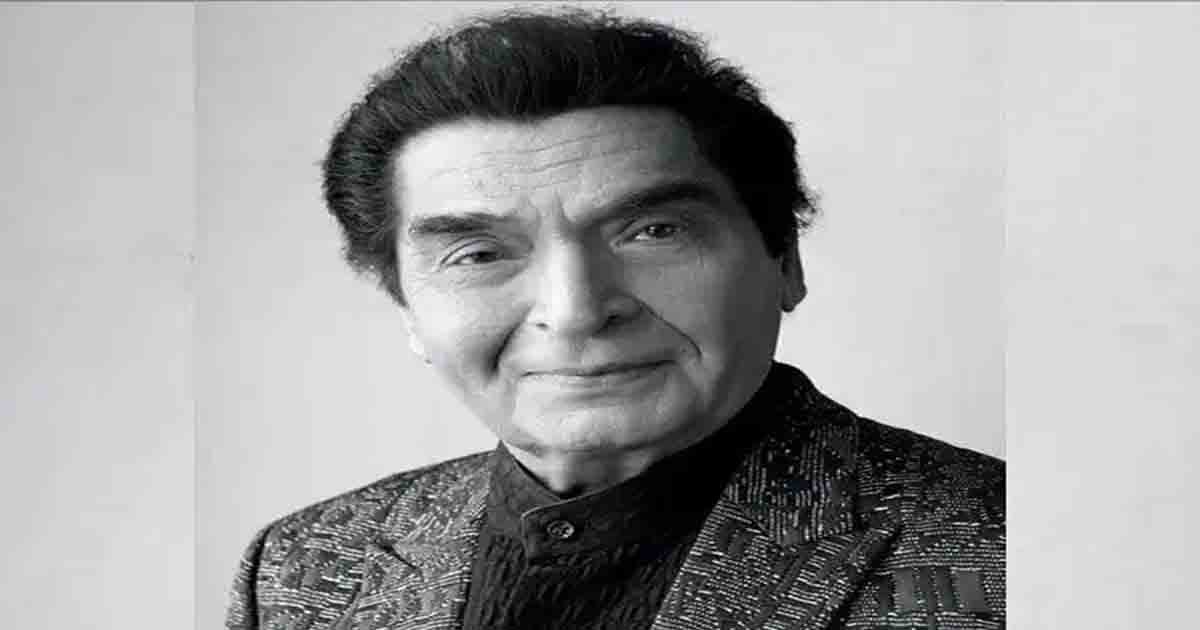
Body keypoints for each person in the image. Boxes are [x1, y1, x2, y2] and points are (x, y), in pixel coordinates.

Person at [225, 8, 1004, 630]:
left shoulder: (1004, 551)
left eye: (654, 232)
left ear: (784, 261)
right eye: (478, 254)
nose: (576, 310)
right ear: (405, 304)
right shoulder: (304, 565)